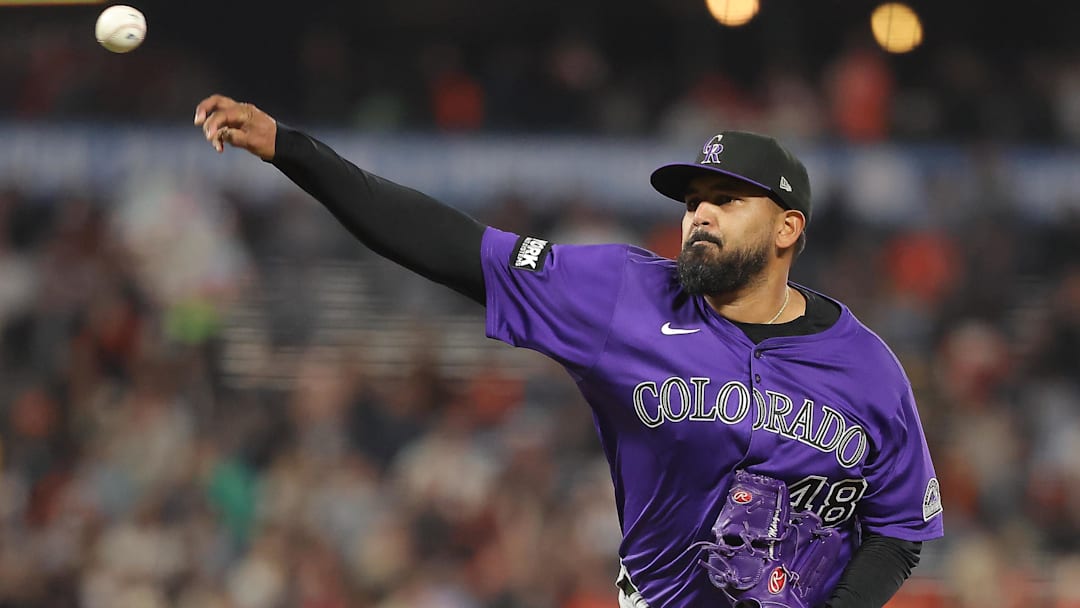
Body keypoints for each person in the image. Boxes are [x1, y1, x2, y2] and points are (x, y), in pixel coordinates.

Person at [193, 94, 944, 608]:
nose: (701, 215)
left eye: (728, 199)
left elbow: (899, 530)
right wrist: (293, 151)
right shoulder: (622, 295)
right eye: (692, 202)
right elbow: (449, 247)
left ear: (787, 229)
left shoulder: (867, 368)